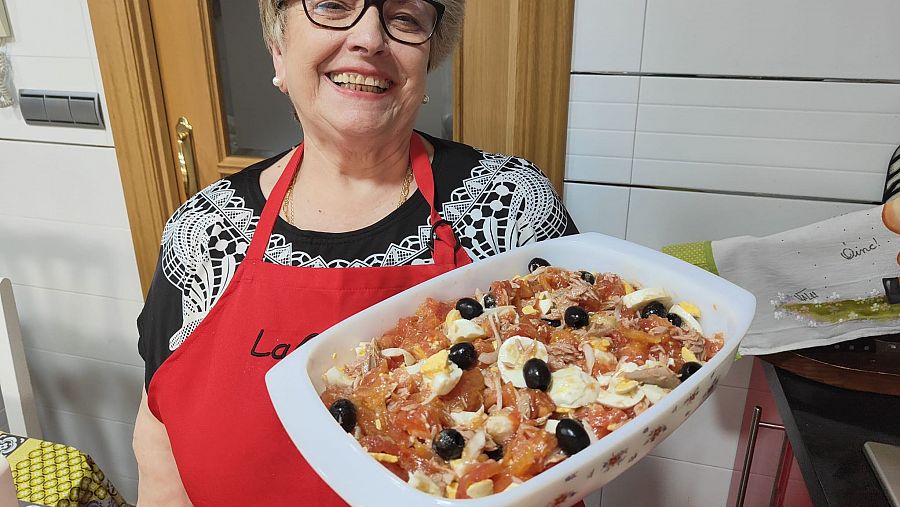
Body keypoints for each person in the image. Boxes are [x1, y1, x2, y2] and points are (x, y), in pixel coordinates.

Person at [132, 0, 579, 504]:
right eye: (331, 5)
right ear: (278, 49)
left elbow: (582, 413)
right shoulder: (205, 232)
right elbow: (158, 431)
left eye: (405, 17)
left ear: (429, 58)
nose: (370, 38)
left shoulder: (510, 206)